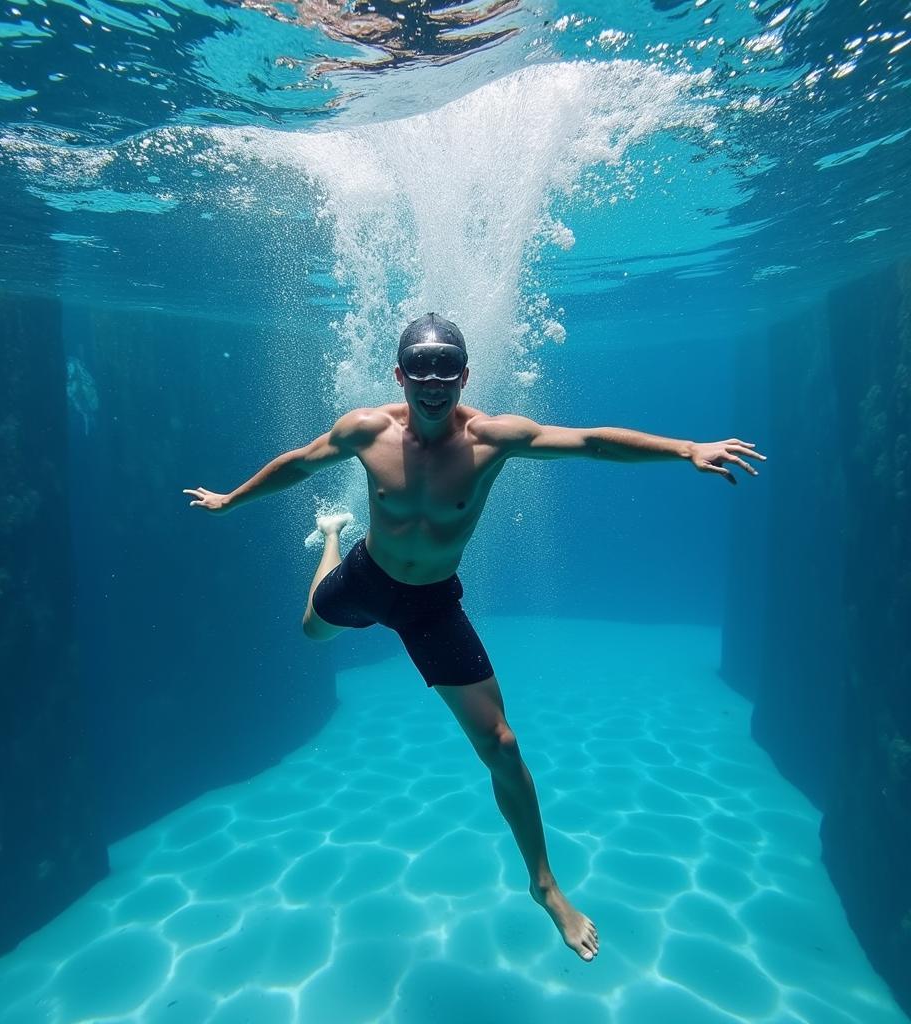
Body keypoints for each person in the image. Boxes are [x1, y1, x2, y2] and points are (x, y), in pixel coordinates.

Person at [183, 312, 766, 963]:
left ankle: (544, 885)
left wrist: (686, 448)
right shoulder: (364, 430)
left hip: (432, 605)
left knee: (502, 743)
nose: (433, 384)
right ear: (400, 375)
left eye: (447, 371)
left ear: (464, 374)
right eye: (420, 372)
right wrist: (233, 499)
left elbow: (594, 442)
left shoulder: (494, 438)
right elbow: (299, 465)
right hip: (369, 578)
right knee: (312, 632)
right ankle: (329, 539)